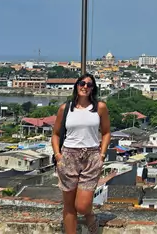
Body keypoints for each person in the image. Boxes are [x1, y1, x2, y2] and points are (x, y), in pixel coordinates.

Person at [52, 73, 112, 234]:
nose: (85, 87)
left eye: (89, 84)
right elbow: (55, 134)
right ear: (76, 85)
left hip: (91, 156)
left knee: (82, 206)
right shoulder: (65, 108)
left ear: (93, 89)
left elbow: (106, 132)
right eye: (82, 83)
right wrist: (58, 156)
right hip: (68, 156)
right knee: (69, 206)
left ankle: (90, 215)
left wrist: (102, 155)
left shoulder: (99, 107)